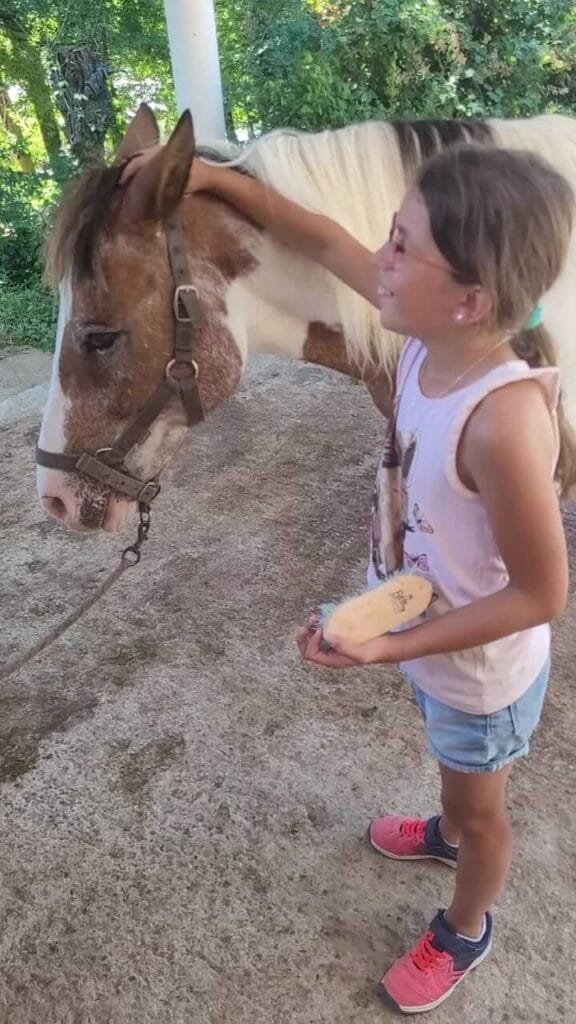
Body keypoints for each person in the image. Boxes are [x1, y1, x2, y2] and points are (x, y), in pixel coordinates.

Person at [124, 142, 574, 1013]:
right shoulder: (427, 326)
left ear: (471, 298)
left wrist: (389, 645)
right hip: (428, 638)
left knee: (484, 805)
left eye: (401, 246)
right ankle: (445, 827)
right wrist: (213, 181)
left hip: (483, 675)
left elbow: (539, 595)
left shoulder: (505, 424)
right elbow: (322, 238)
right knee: (453, 773)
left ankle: (467, 922)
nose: (380, 257)